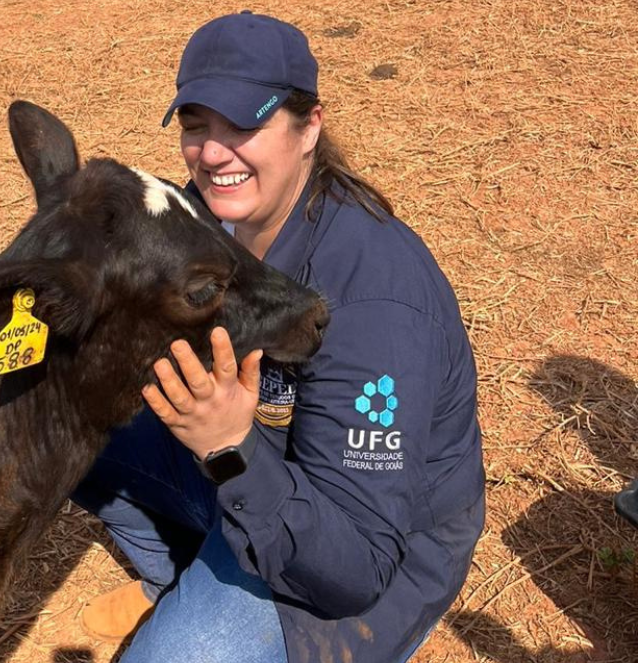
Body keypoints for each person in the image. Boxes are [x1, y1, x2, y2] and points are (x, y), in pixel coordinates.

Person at [71, 11, 486, 663]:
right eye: (196, 126)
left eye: (243, 125)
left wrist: (229, 444)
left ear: (308, 127)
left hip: (368, 553)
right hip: (250, 462)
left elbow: (358, 566)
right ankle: (177, 578)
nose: (212, 153)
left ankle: (225, 617)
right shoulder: (212, 217)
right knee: (69, 420)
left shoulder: (374, 299)